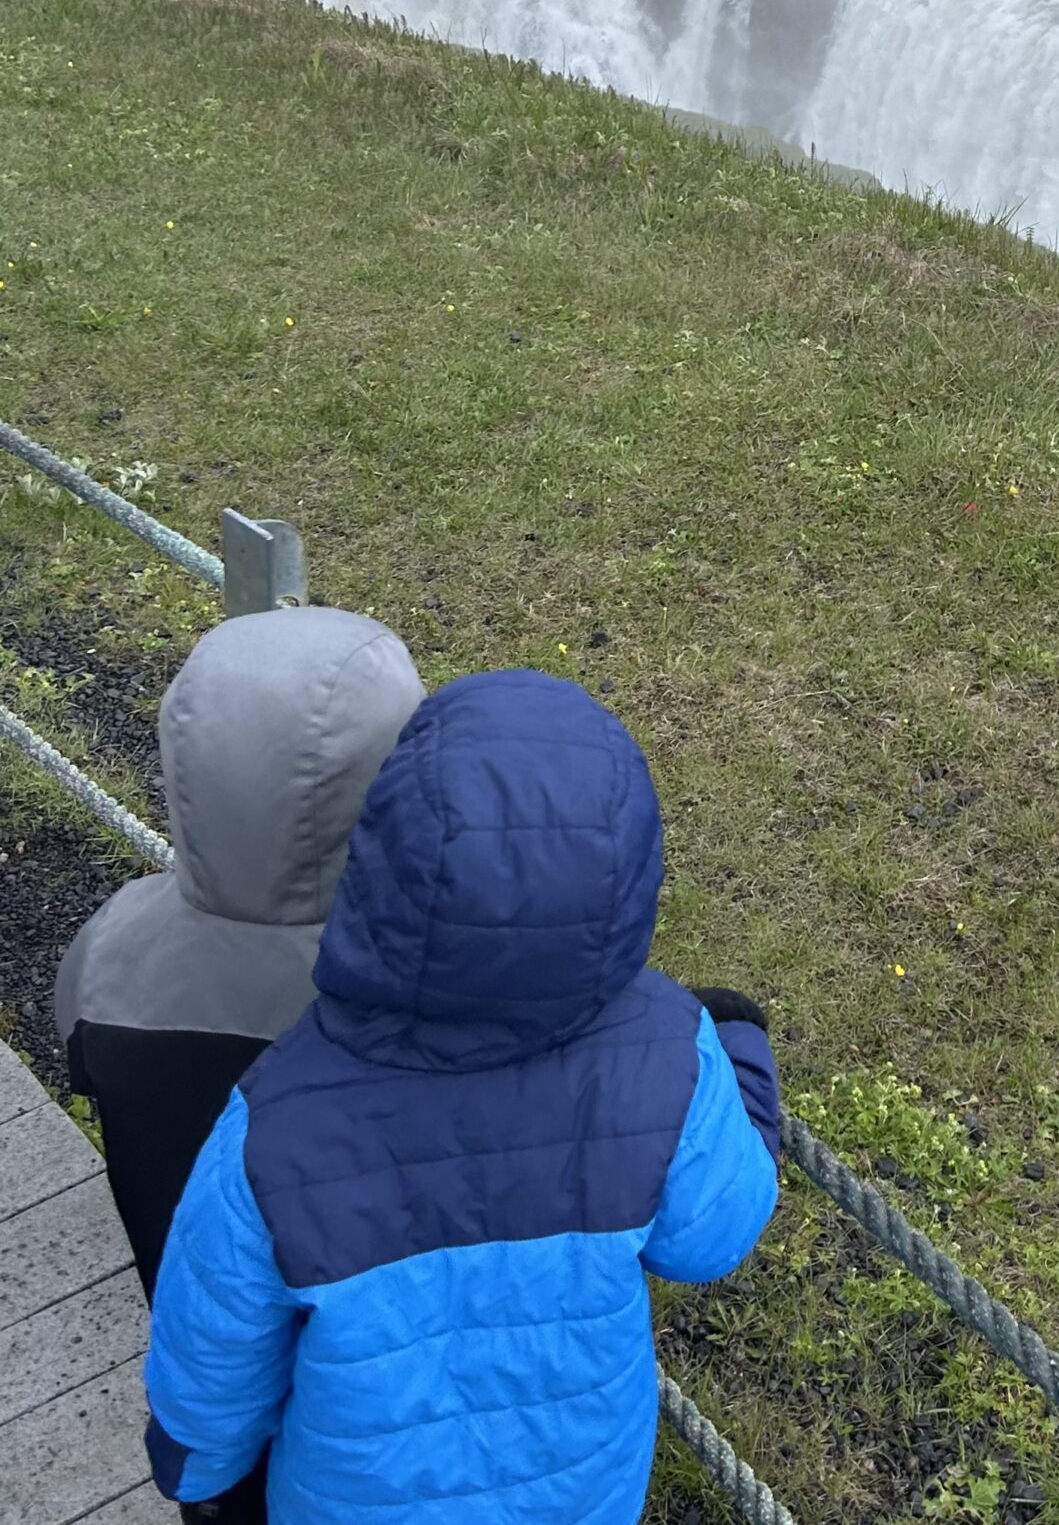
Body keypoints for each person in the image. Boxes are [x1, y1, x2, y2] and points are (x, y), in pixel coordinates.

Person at [144, 669, 781, 1525]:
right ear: (629, 866)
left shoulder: (275, 1119)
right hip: (580, 1496)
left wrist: (198, 1474)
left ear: (381, 854)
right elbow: (712, 1236)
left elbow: (214, 1347)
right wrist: (738, 1046)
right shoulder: (667, 1055)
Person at [56, 610, 424, 1303]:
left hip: (195, 1326)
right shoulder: (437, 974)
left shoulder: (110, 946)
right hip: (377, 1350)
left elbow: (86, 1069)